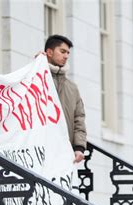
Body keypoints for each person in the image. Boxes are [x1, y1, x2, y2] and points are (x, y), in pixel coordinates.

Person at [44, 35, 87, 163]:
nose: (66, 56)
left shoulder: (72, 88)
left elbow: (79, 119)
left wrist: (79, 147)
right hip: (39, 149)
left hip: (64, 152)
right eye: (62, 51)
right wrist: (37, 64)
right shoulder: (36, 79)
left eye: (68, 53)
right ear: (49, 52)